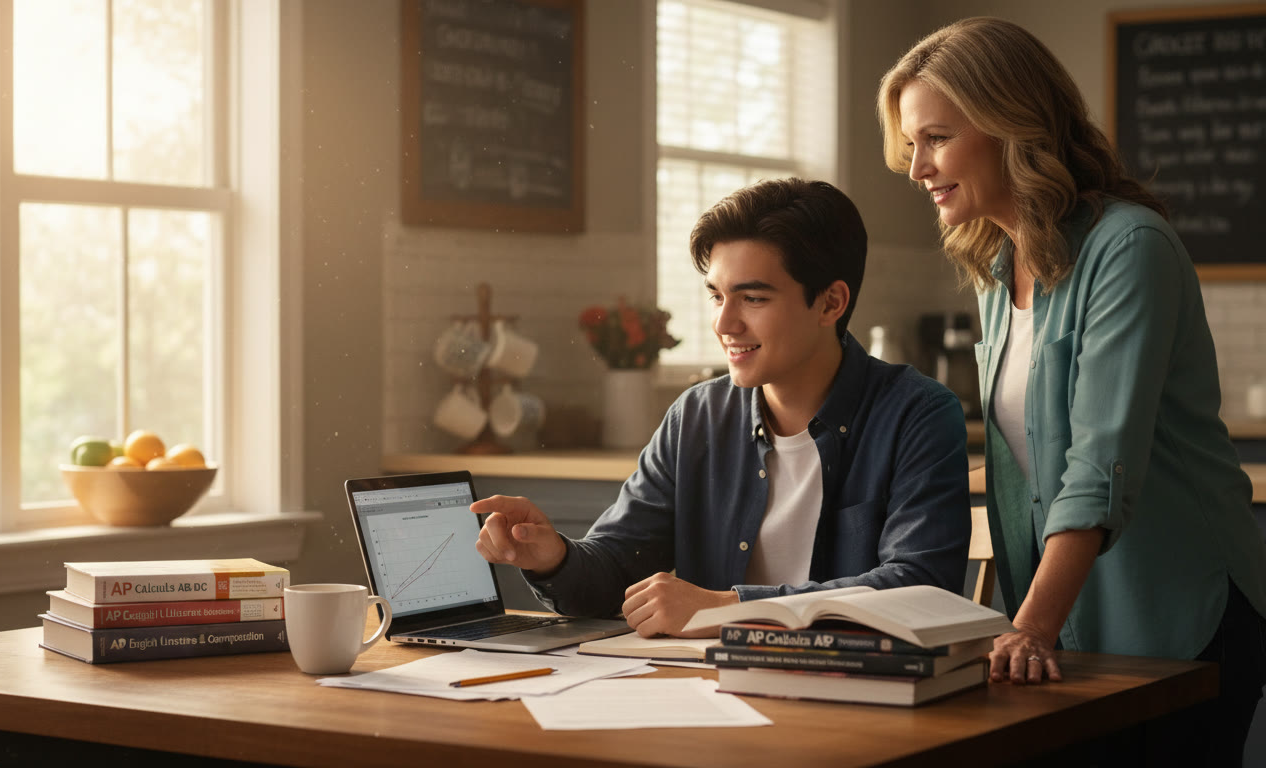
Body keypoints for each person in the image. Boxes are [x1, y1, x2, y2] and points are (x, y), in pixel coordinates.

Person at [877, 16, 1266, 764]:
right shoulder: (998, 270)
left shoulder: (1129, 246)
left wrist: (1030, 626)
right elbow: (1026, 476)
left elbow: (1099, 459)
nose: (916, 166)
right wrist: (1021, 624)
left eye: (936, 138)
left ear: (1009, 124)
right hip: (1068, 623)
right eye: (911, 144)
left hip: (1177, 613)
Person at [472, 178, 971, 638]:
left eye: (752, 298)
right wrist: (553, 557)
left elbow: (918, 588)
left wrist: (726, 606)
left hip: (855, 699)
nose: (724, 324)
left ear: (830, 303)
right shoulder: (697, 417)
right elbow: (617, 568)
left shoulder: (917, 414)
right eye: (716, 296)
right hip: (709, 694)